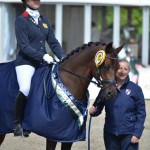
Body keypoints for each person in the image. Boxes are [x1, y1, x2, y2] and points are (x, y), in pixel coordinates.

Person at [14, 0, 65, 137]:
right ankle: (17, 123)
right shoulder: (21, 20)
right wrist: (43, 56)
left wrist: (63, 58)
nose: (36, 0)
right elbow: (24, 47)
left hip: (43, 62)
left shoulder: (44, 20)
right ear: (25, 1)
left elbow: (53, 42)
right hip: (26, 62)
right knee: (25, 88)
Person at [89, 59, 146, 150]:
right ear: (115, 70)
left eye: (125, 69)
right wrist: (93, 111)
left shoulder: (136, 89)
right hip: (110, 133)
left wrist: (137, 133)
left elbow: (141, 113)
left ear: (129, 71)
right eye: (119, 68)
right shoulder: (106, 88)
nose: (122, 71)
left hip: (129, 133)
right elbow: (97, 106)